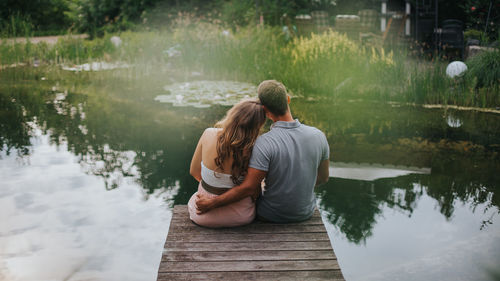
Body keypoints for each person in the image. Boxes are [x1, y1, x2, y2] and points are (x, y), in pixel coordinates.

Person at [196, 80, 330, 223]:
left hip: (269, 215)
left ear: (264, 110)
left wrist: (212, 203)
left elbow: (248, 188)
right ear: (288, 99)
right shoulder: (319, 136)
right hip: (305, 213)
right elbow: (323, 178)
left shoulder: (263, 143)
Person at [187, 99, 266, 227]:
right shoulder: (256, 148)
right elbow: (254, 192)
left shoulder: (208, 134)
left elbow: (194, 172)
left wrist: (214, 187)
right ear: (257, 125)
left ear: (232, 114)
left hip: (202, 214)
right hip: (241, 216)